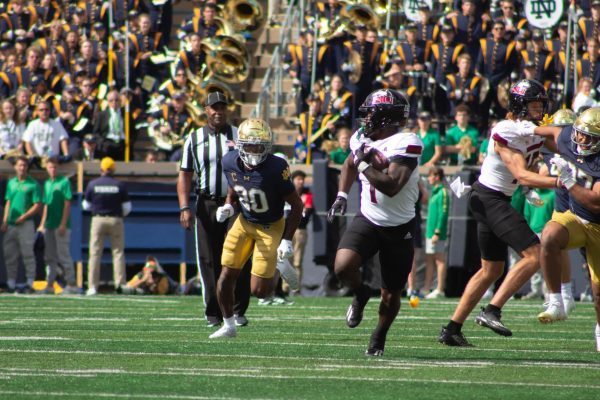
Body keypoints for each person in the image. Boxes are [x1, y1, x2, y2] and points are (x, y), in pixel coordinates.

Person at [439, 79, 559, 346]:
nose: (540, 109)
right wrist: (560, 181)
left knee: (491, 269)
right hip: (490, 198)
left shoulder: (532, 129)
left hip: (492, 198)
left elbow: (553, 150)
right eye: (534, 104)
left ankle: (451, 329)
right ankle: (491, 310)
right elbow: (520, 173)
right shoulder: (506, 129)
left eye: (541, 103)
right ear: (520, 105)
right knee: (534, 254)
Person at [327, 89, 423, 356]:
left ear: (387, 117)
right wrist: (342, 195)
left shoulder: (407, 142)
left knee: (391, 294)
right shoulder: (361, 138)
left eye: (372, 113)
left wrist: (361, 165)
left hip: (398, 226)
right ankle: (360, 293)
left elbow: (391, 186)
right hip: (368, 218)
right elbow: (349, 163)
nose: (367, 118)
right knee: (343, 267)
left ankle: (379, 336)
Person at [208, 118, 303, 339]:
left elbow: (297, 205)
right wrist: (228, 207)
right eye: (250, 144)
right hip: (244, 222)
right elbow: (235, 187)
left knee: (260, 291)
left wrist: (287, 239)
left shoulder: (276, 167)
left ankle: (279, 265)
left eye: (259, 145)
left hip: (270, 226)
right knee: (226, 274)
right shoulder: (230, 161)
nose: (254, 149)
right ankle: (229, 325)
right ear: (240, 144)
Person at [527, 107, 600, 351]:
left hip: (598, 226)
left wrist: (568, 181)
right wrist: (523, 128)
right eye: (578, 134)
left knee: (598, 293)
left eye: (587, 137)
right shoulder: (569, 137)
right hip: (576, 218)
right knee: (549, 236)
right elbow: (552, 131)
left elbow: (595, 203)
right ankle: (556, 300)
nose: (580, 140)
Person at [177, 91, 251, 328]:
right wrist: (184, 206)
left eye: (222, 107)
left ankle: (238, 310)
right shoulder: (194, 138)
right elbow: (185, 174)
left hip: (236, 203)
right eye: (213, 107)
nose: (218, 111)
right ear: (205, 110)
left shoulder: (239, 135)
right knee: (208, 259)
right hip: (206, 203)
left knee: (236, 254)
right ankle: (213, 312)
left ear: (227, 109)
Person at [83, 157, 132, 295]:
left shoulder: (93, 184)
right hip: (115, 219)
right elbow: (127, 208)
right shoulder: (119, 185)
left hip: (98, 219)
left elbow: (86, 205)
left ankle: (92, 287)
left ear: (101, 169)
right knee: (118, 253)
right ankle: (120, 285)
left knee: (94, 254)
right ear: (113, 169)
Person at [36, 156, 78, 294]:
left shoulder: (64, 182)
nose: (52, 169)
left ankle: (71, 284)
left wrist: (63, 224)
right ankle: (49, 285)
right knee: (49, 256)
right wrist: (42, 224)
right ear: (46, 168)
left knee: (63, 255)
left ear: (58, 168)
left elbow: (67, 204)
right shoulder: (47, 183)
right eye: (50, 167)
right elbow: (47, 205)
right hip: (49, 225)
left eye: (54, 167)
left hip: (61, 225)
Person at [2, 155, 41, 293]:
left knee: (28, 253)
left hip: (25, 224)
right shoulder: (11, 182)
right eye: (20, 165)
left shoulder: (33, 184)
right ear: (15, 167)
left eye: (24, 165)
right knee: (10, 254)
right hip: (11, 224)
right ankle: (11, 282)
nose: (22, 168)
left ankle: (30, 282)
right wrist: (5, 221)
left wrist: (24, 216)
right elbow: (8, 202)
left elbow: (37, 205)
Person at [423, 167, 449, 299]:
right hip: (429, 233)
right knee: (429, 260)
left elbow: (443, 213)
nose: (429, 178)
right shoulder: (434, 192)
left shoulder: (443, 192)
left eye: (430, 176)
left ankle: (439, 289)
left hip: (437, 233)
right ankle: (427, 288)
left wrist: (437, 232)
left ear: (437, 177)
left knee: (439, 260)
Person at [286, 170, 313, 294]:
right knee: (286, 259)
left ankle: (296, 288)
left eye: (302, 179)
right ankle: (284, 288)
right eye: (298, 179)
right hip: (286, 229)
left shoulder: (307, 195)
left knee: (297, 261)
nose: (301, 182)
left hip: (300, 230)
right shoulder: (287, 193)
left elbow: (306, 213)